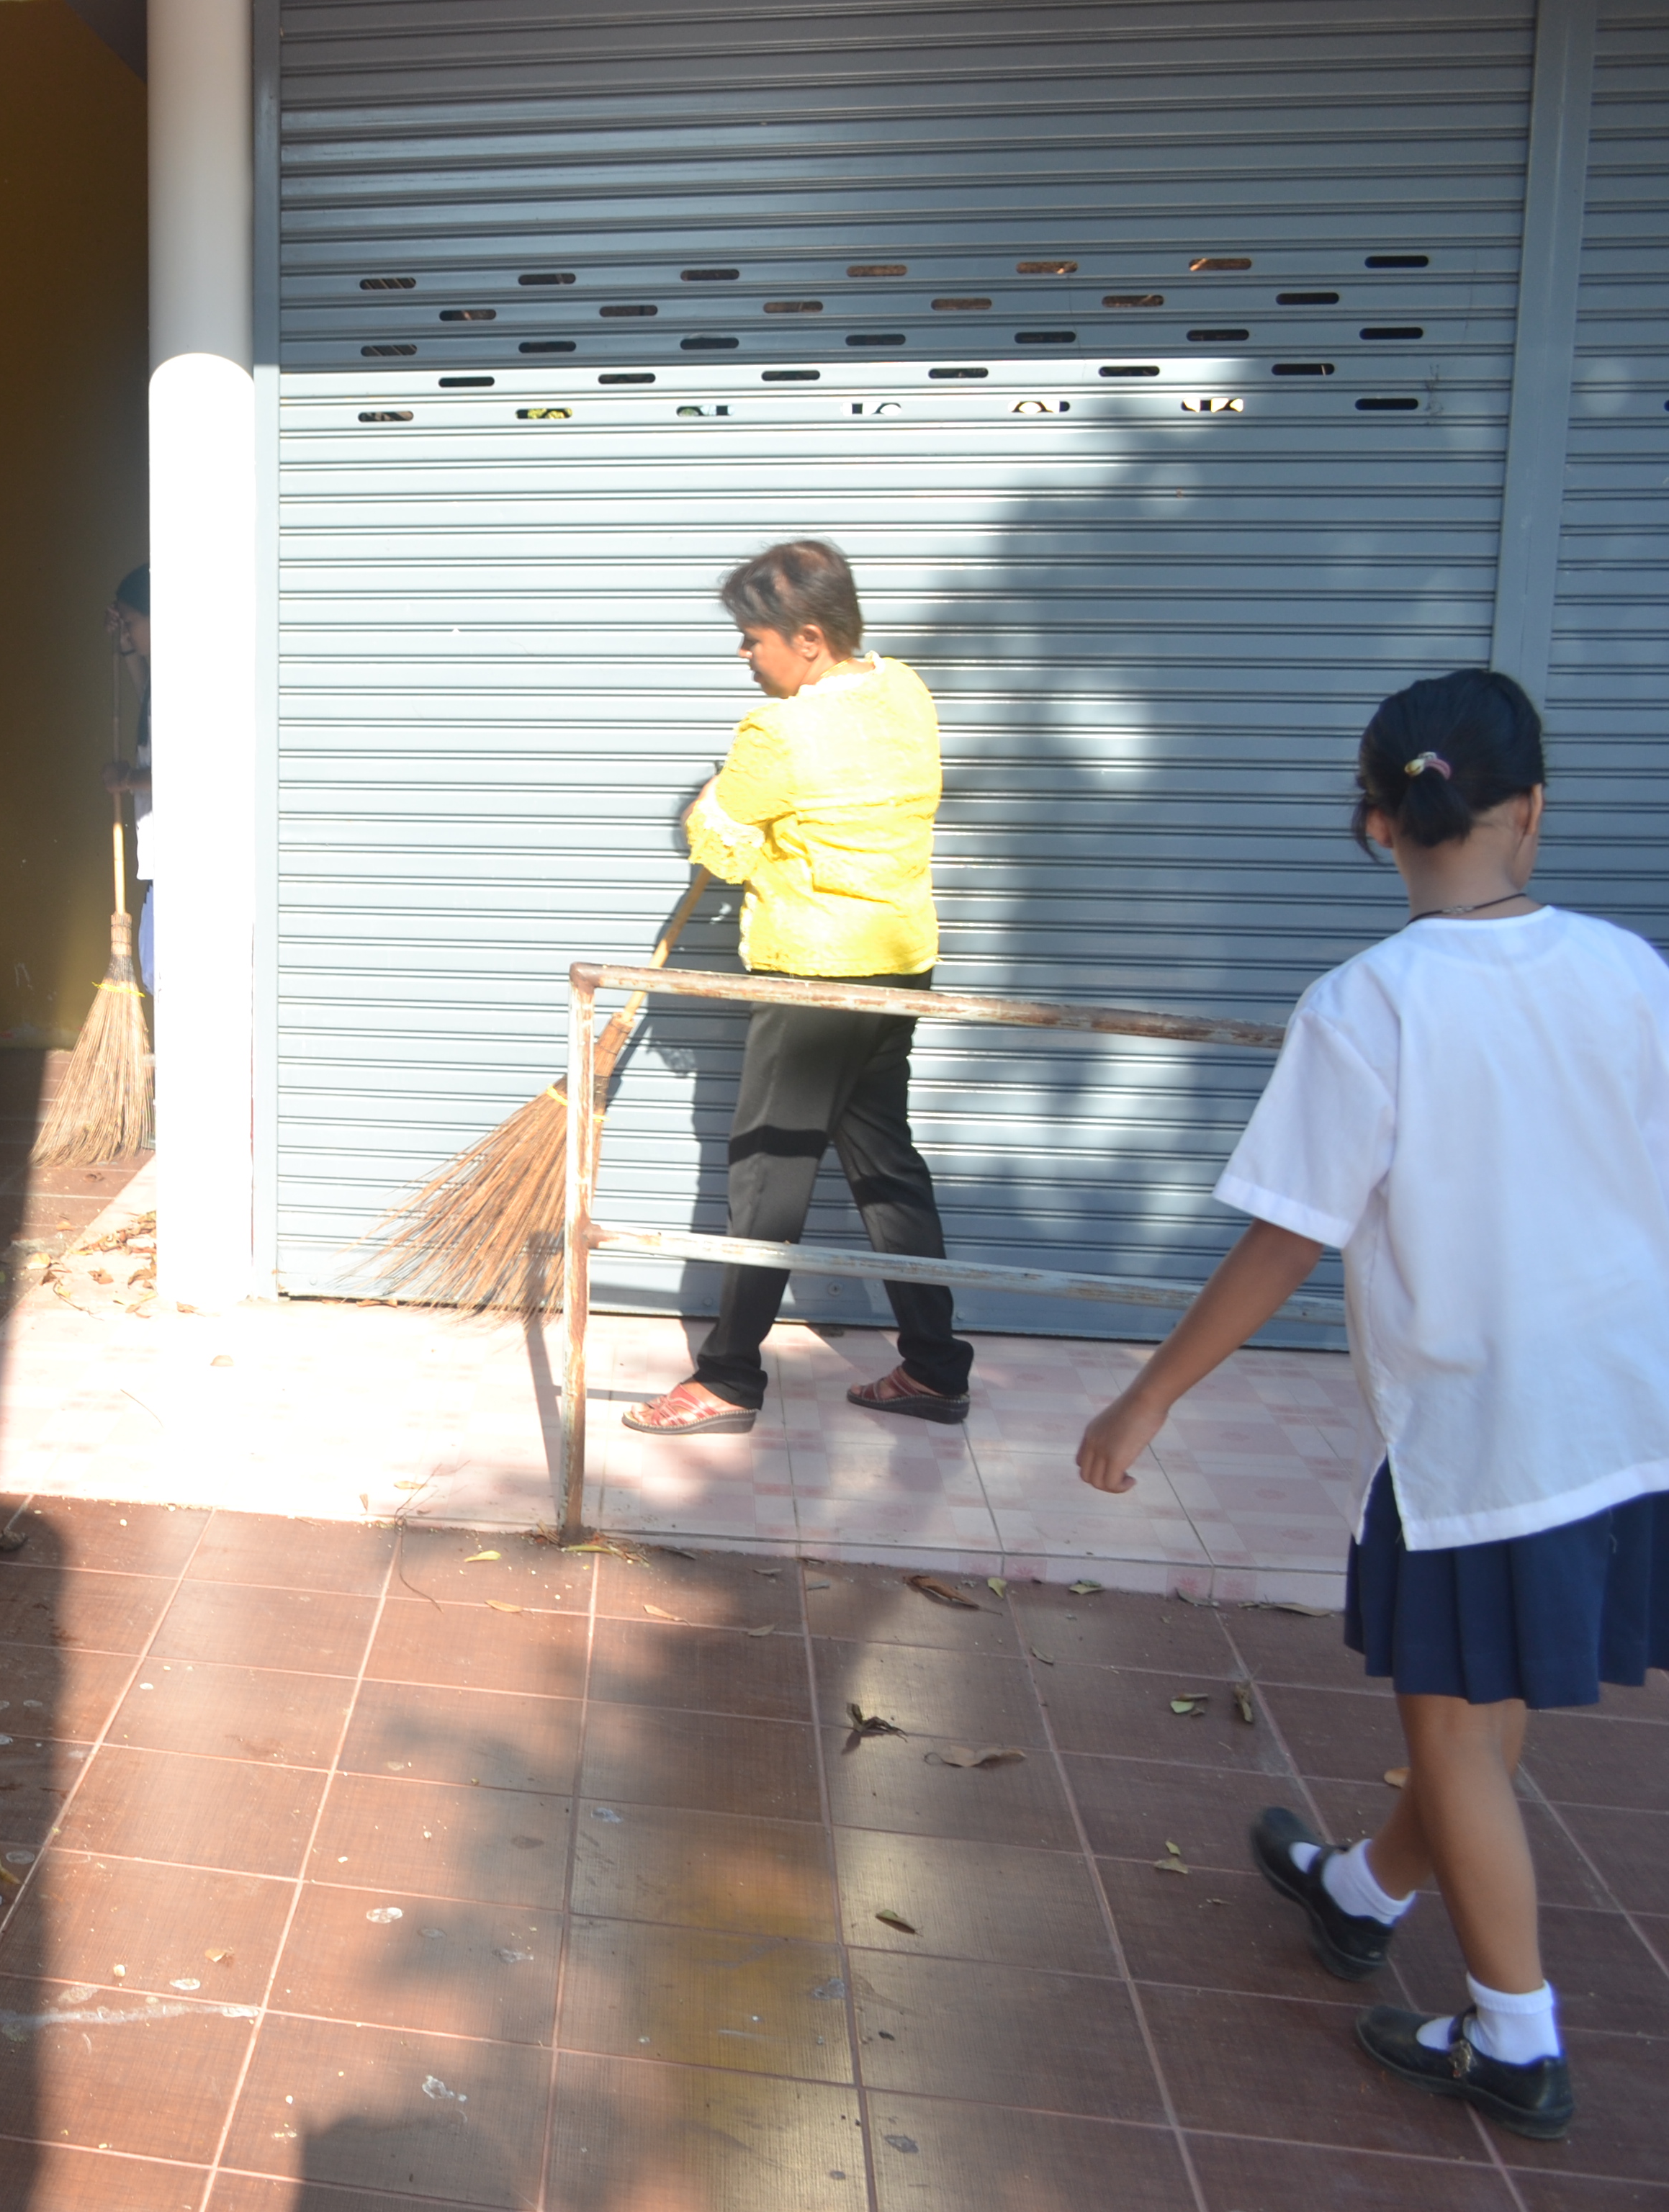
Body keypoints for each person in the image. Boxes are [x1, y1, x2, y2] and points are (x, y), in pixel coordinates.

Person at [1074, 670, 1668, 2144]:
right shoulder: (1630, 970)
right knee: (1486, 1704)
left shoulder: (1369, 1002)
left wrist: (1148, 1397)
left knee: (1458, 1732)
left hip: (1481, 1433)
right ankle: (1360, 1891)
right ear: (1531, 811)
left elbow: (1289, 1234)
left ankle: (1513, 2040)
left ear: (1376, 822)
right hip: (1624, 1416)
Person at [626, 540, 976, 1437]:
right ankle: (935, 1368)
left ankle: (728, 1380)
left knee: (767, 1177)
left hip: (815, 978)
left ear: (809, 638)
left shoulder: (776, 732)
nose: (744, 654)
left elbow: (718, 845)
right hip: (898, 964)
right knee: (886, 1165)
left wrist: (721, 813)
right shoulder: (906, 690)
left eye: (754, 638)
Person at [104, 563, 154, 990]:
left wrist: (127, 780)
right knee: (156, 970)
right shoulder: (163, 680)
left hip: (186, 860)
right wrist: (125, 647)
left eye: (133, 622)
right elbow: (146, 697)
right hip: (162, 858)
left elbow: (192, 774)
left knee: (159, 970)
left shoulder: (192, 682)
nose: (131, 631)